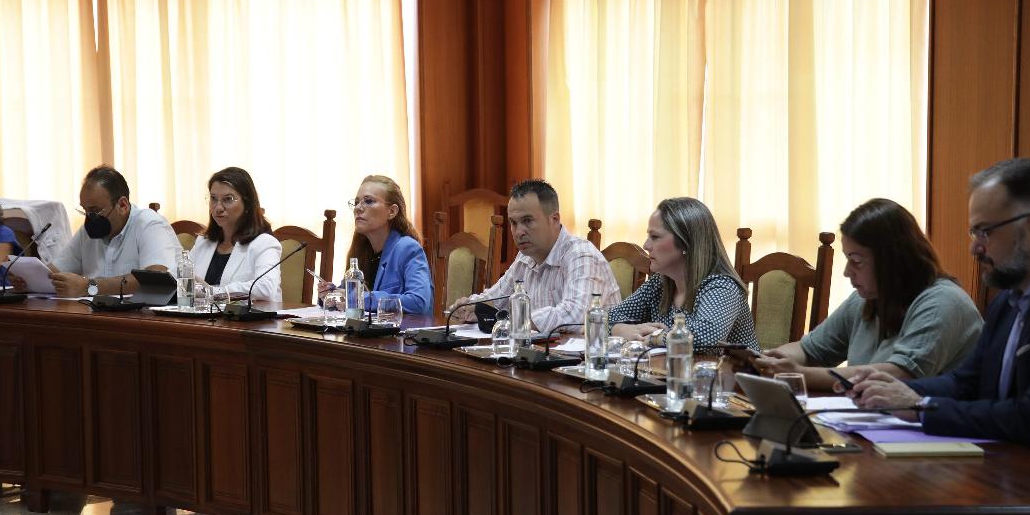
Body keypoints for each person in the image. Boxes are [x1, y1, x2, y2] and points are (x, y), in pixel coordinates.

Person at [849, 158, 1030, 453]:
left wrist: (921, 407)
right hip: (1010, 466)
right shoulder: (1008, 300)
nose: (974, 247)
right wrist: (892, 391)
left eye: (985, 231)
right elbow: (966, 383)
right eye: (973, 233)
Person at [753, 198, 982, 390]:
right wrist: (770, 360)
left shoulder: (942, 302)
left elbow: (898, 375)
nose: (846, 272)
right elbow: (810, 350)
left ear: (891, 260)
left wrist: (798, 375)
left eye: (856, 261)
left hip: (946, 435)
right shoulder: (866, 298)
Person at [449, 180, 620, 333]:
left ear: (554, 219)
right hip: (543, 356)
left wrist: (517, 320)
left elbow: (576, 315)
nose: (518, 232)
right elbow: (497, 298)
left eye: (527, 221)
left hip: (589, 362)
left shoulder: (581, 255)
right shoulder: (525, 257)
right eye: (513, 223)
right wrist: (471, 307)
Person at [609, 197, 757, 349]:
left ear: (686, 242)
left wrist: (654, 338)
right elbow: (604, 318)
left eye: (655, 237)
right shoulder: (659, 283)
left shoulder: (722, 286)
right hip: (673, 371)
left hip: (733, 372)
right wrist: (619, 329)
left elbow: (707, 336)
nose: (646, 245)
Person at [42, 165, 181, 297]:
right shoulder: (88, 231)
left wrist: (88, 287)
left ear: (122, 205)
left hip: (146, 318)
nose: (89, 218)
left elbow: (155, 280)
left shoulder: (149, 224)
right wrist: (26, 280)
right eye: (85, 210)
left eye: (95, 211)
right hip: (98, 315)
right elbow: (54, 272)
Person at [323, 175, 432, 314]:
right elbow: (347, 296)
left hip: (400, 334)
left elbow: (418, 302)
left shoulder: (408, 248)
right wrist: (331, 295)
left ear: (391, 211)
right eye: (356, 202)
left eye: (368, 201)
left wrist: (359, 299)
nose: (358, 208)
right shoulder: (361, 248)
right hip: (362, 333)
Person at [189, 167, 282, 303]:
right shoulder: (203, 242)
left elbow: (265, 288)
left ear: (248, 204)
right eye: (213, 199)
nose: (218, 208)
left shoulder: (265, 244)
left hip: (250, 323)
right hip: (202, 321)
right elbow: (176, 280)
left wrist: (213, 292)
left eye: (228, 199)